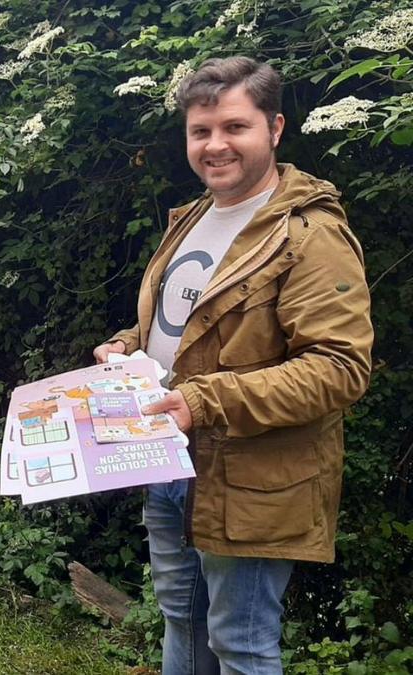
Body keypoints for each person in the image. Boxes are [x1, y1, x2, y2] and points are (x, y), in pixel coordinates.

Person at [93, 57, 373, 674]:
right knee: (180, 619)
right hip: (166, 459)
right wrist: (125, 345)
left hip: (251, 478)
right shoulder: (193, 217)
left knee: (240, 643)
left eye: (234, 127)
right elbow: (174, 325)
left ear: (274, 129)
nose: (215, 145)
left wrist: (204, 401)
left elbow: (339, 367)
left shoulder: (311, 234)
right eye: (201, 131)